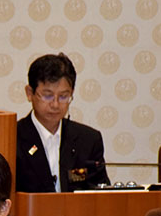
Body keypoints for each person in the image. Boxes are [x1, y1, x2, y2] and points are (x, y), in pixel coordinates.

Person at [16, 53, 110, 192]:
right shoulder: (13, 138)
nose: (55, 104)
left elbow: (100, 194)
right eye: (47, 95)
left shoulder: (88, 140)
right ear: (30, 93)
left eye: (63, 96)